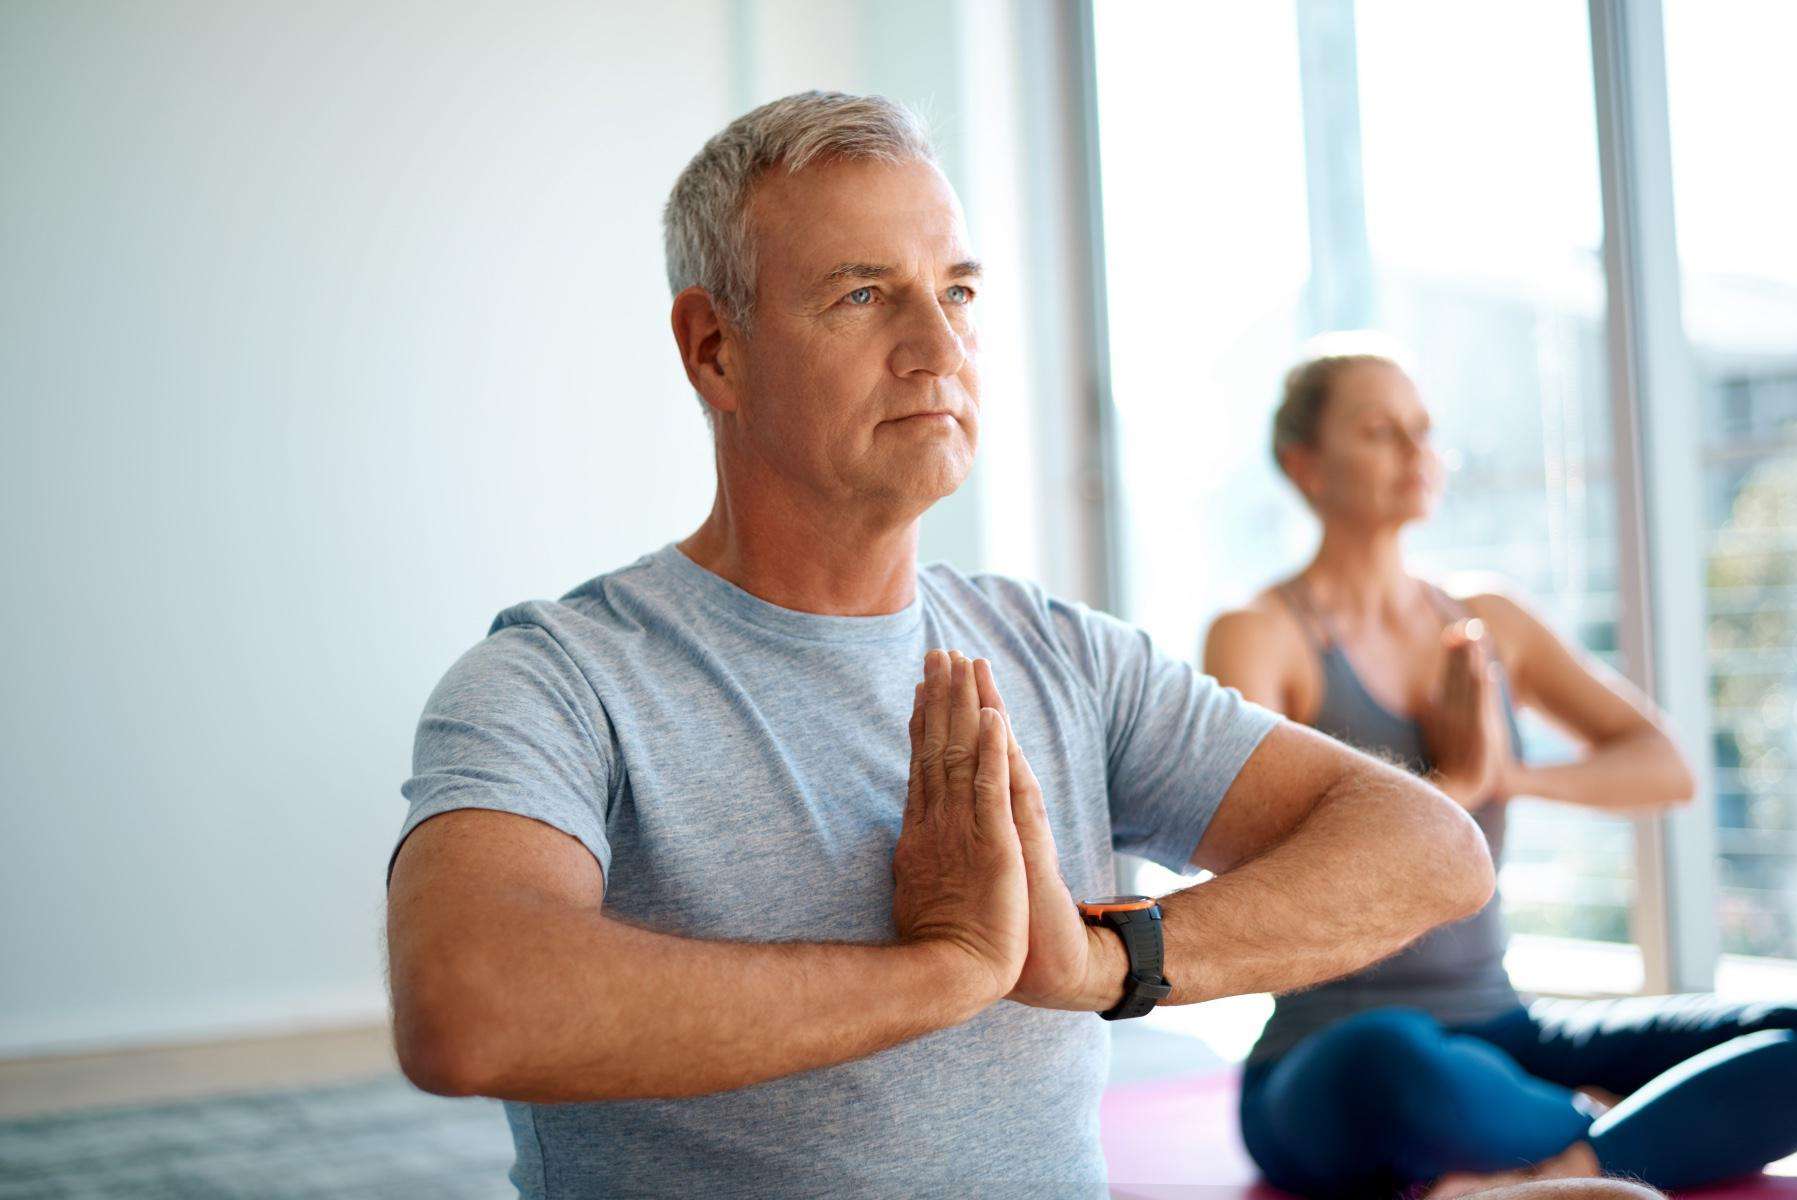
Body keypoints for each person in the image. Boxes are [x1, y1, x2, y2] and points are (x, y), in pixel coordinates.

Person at [381, 92, 1508, 1200]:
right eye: (864, 294)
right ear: (715, 349)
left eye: (957, 292)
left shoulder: (1063, 654)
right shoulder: (557, 678)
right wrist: (942, 971)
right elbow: (472, 1006)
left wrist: (1099, 962)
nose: (938, 348)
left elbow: (1432, 849)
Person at [1205, 338, 1797, 1199]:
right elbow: (1242, 857)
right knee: (1396, 1060)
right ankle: (1614, 1130)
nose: (1416, 451)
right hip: (1333, 1051)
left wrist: (1509, 779)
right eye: (1379, 431)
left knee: (1789, 1030)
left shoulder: (1486, 617)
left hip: (1503, 1024)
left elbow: (1664, 766)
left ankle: (1564, 1169)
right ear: (1305, 466)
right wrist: (1455, 787)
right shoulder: (1261, 636)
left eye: (1423, 429)